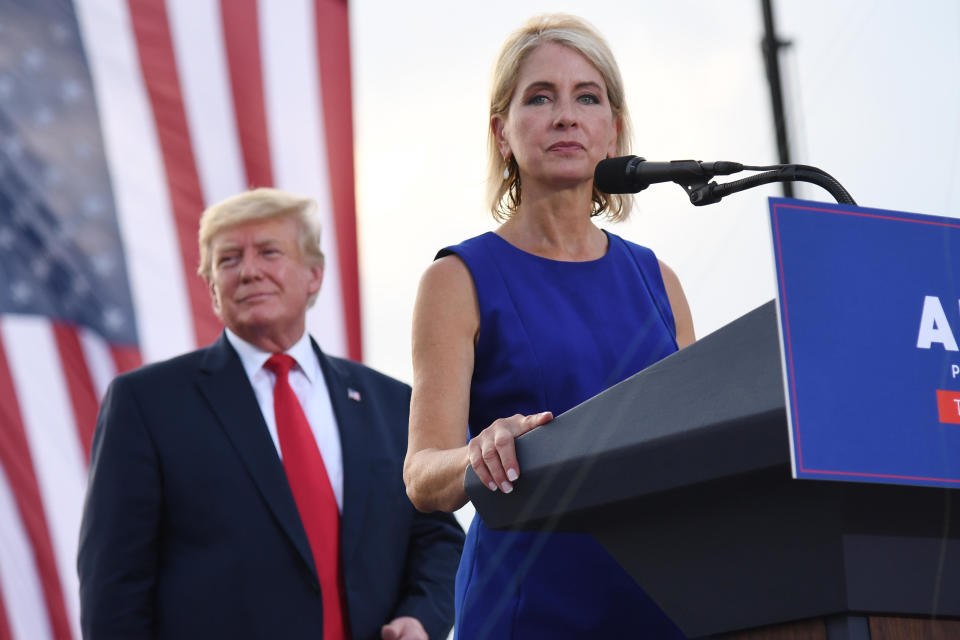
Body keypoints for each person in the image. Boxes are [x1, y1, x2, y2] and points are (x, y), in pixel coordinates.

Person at [403, 14, 695, 639]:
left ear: (613, 129)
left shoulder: (659, 281)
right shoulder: (458, 278)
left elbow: (704, 444)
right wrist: (477, 455)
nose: (566, 116)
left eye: (587, 97)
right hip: (525, 607)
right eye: (540, 98)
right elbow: (422, 476)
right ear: (501, 133)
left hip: (666, 604)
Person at [78, 188, 464, 640]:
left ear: (314, 275)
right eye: (228, 260)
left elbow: (438, 539)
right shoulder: (146, 404)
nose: (248, 271)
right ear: (211, 288)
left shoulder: (391, 403)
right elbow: (115, 585)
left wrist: (420, 618)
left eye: (269, 252)